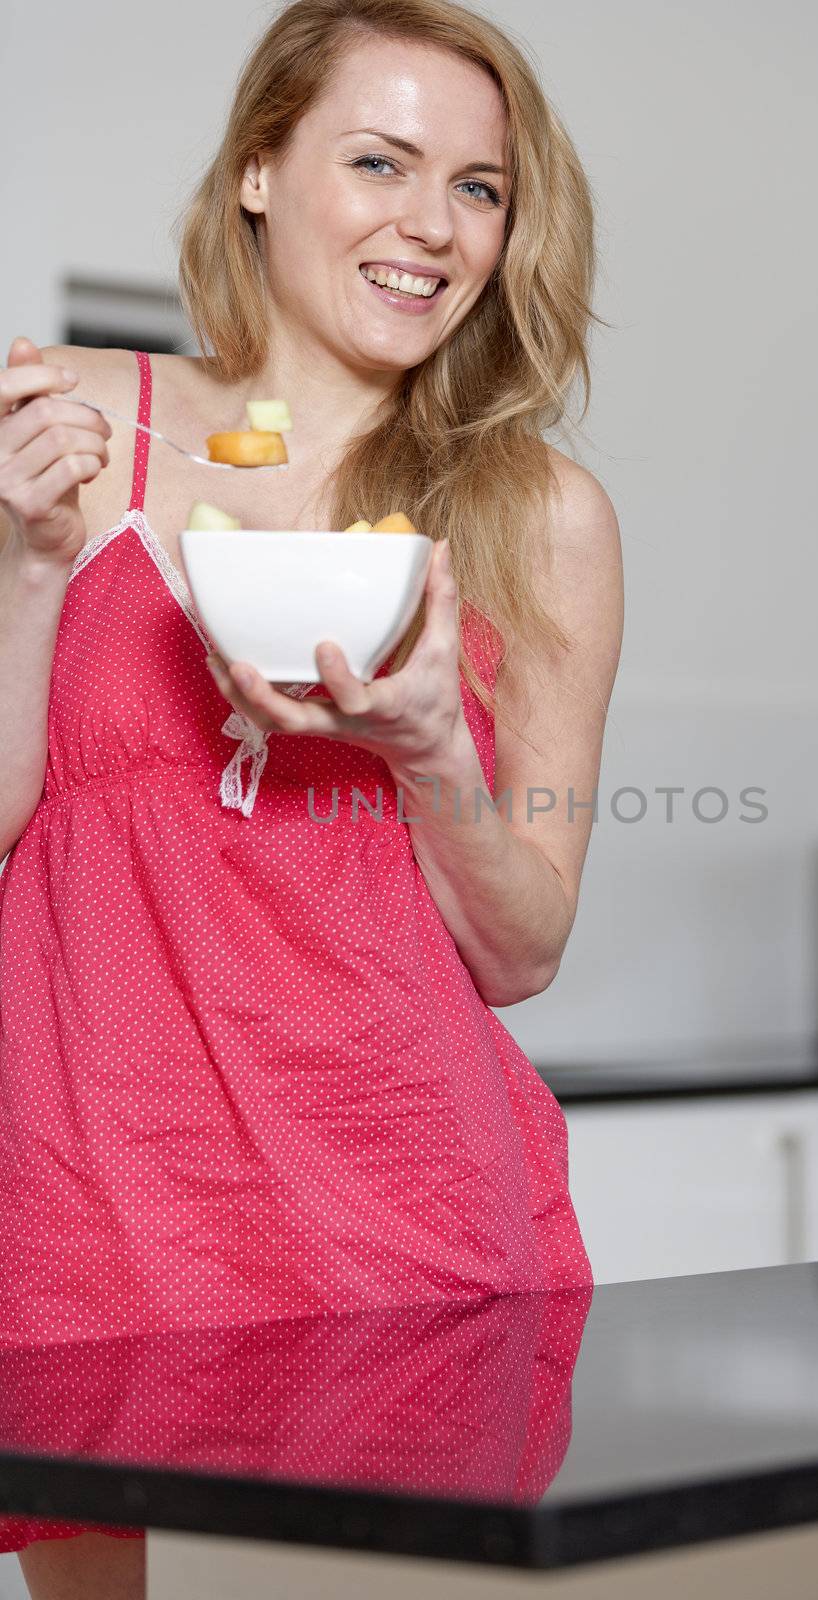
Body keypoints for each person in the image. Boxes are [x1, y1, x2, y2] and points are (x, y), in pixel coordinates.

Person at [0, 0, 623, 1593]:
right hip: (91, 1197)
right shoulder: (59, 426)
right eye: (380, 161)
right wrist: (23, 575)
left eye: (479, 187)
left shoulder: (538, 515)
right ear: (263, 168)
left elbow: (522, 947)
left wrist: (429, 750)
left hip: (398, 1202)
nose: (433, 226)